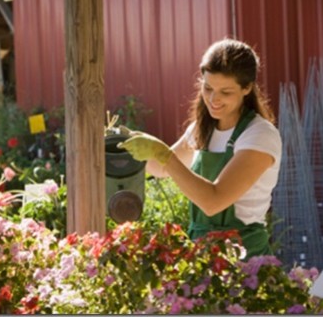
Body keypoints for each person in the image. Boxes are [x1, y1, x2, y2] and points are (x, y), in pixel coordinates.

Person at [118, 38, 282, 259]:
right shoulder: (203, 129)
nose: (214, 99)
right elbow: (161, 168)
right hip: (202, 257)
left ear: (247, 88)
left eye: (225, 92)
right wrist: (120, 149)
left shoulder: (259, 135)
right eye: (208, 88)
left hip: (245, 263)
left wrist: (163, 153)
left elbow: (213, 201)